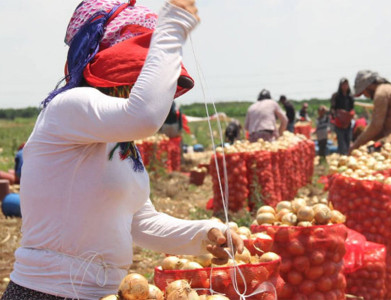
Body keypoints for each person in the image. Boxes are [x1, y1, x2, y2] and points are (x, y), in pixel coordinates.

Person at [1, 1, 243, 300]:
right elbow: (143, 115)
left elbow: (140, 222)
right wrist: (172, 27)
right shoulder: (68, 108)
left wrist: (205, 233)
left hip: (101, 294)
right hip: (46, 293)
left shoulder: (120, 142)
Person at [331, 78, 354, 155]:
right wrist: (339, 115)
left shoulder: (350, 97)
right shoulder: (336, 96)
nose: (345, 86)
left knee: (347, 140)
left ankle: (347, 155)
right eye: (343, 85)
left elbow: (352, 109)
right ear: (340, 86)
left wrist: (349, 116)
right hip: (339, 123)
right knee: (341, 142)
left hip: (348, 122)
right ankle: (342, 156)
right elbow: (332, 109)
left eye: (346, 85)